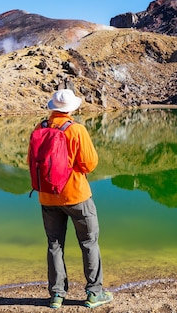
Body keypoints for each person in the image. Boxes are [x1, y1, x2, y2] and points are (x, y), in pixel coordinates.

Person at [33, 89, 113, 309]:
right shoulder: (76, 130)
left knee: (55, 245)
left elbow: (33, 161)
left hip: (48, 197)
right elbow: (90, 164)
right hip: (77, 196)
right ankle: (94, 293)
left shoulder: (40, 129)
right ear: (71, 109)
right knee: (89, 243)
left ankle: (57, 295)